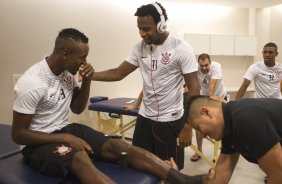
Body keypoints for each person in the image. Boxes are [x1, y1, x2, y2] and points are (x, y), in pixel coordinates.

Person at [12, 28, 204, 184]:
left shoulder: (68, 72)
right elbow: (18, 134)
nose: (85, 62)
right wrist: (65, 138)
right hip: (36, 144)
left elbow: (77, 108)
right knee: (79, 158)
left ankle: (184, 180)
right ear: (65, 54)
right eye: (82, 57)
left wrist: (87, 80)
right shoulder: (33, 82)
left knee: (118, 145)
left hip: (66, 128)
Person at [91, 2, 200, 170]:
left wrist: (188, 126)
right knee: (139, 163)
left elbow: (194, 89)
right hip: (145, 117)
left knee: (169, 169)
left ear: (161, 25)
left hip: (169, 120)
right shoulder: (139, 48)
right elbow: (119, 73)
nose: (142, 34)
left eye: (146, 29)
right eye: (139, 29)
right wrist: (91, 75)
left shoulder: (181, 48)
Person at [185, 95, 282, 184]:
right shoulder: (228, 128)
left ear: (206, 112)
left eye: (198, 128)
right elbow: (219, 178)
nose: (202, 135)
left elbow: (278, 176)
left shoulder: (244, 118)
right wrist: (174, 175)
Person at [191, 53, 227, 162]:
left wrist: (209, 103)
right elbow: (192, 85)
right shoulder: (195, 69)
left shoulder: (216, 66)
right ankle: (199, 150)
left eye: (206, 65)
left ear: (210, 63)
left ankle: (224, 151)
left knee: (223, 125)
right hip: (205, 98)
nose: (204, 68)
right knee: (198, 124)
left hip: (219, 98)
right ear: (198, 64)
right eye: (201, 65)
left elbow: (211, 86)